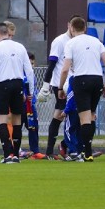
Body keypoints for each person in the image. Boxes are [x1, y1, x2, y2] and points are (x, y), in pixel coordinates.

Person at [57, 16, 105, 162]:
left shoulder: (71, 43)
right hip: (97, 79)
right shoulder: (96, 41)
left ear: (72, 28)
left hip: (81, 80)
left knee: (84, 118)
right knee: (92, 116)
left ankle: (86, 153)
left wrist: (60, 87)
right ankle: (88, 151)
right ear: (85, 28)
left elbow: (65, 69)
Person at [0, 22, 35, 164]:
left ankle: (7, 155)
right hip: (18, 84)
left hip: (2, 85)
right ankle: (16, 156)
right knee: (17, 120)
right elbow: (29, 71)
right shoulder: (20, 47)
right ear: (8, 33)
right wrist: (30, 91)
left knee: (2, 119)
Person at [38, 16, 75, 158]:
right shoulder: (59, 41)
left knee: (64, 115)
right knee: (65, 115)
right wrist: (45, 86)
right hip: (61, 85)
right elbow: (52, 64)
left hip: (74, 83)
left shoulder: (77, 42)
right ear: (68, 25)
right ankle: (60, 148)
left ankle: (64, 147)